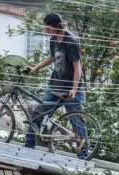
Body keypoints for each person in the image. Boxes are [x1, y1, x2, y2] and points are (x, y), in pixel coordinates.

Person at [25, 12, 89, 158]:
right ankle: (29, 144)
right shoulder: (54, 39)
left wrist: (74, 88)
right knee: (39, 113)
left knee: (77, 121)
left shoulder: (71, 41)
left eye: (47, 27)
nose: (46, 30)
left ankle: (83, 155)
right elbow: (53, 57)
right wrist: (36, 68)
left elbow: (77, 66)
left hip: (72, 89)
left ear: (55, 27)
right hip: (55, 85)